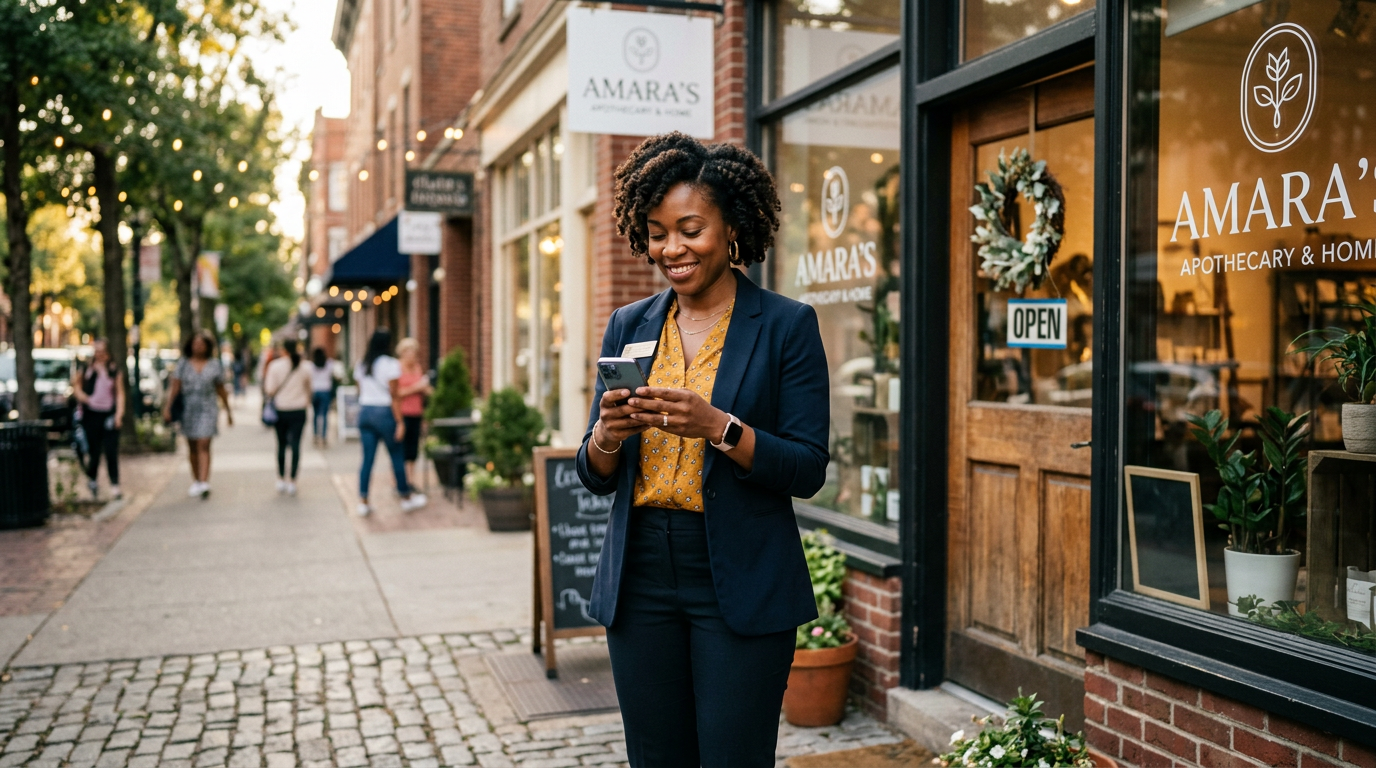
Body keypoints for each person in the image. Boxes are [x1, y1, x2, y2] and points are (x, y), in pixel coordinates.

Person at [575, 133, 829, 767]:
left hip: (738, 576)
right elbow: (594, 471)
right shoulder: (629, 324)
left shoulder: (785, 325)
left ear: (733, 226)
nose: (672, 249)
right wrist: (607, 435)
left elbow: (806, 467)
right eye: (658, 233)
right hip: (641, 580)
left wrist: (722, 427)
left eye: (691, 229)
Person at [355, 328, 427, 516]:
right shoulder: (390, 364)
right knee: (396, 455)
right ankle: (405, 497)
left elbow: (359, 391)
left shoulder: (362, 364)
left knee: (367, 460)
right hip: (385, 413)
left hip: (365, 412)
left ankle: (363, 500)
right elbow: (394, 396)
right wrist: (400, 422)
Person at [164, 329, 233, 498]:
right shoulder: (183, 364)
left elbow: (221, 389)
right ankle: (196, 480)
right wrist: (168, 407)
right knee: (193, 446)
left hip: (208, 407)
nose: (198, 347)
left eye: (202, 344)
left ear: (207, 347)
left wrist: (228, 411)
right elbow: (175, 388)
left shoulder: (215, 365)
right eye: (195, 343)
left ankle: (204, 482)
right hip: (188, 408)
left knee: (204, 443)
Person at [71, 339, 126, 500]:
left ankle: (115, 485)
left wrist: (119, 415)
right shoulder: (86, 369)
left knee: (111, 451)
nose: (100, 355)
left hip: (108, 414)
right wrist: (85, 399)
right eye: (97, 351)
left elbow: (120, 394)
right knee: (94, 451)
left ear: (108, 353)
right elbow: (76, 386)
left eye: (102, 351)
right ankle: (93, 479)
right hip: (91, 415)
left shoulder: (114, 370)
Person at [262, 339, 312, 495]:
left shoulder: (275, 366)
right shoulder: (305, 367)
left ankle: (281, 479)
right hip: (299, 410)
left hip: (281, 410)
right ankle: (293, 481)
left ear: (284, 349)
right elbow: (310, 389)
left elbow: (269, 390)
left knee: (281, 444)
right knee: (296, 445)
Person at [395, 338, 433, 489]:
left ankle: (410, 480)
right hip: (402, 414)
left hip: (416, 413)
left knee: (413, 449)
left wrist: (427, 389)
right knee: (401, 449)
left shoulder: (417, 368)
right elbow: (396, 393)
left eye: (414, 353)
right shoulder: (397, 368)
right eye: (409, 353)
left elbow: (425, 390)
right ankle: (400, 481)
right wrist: (416, 387)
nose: (412, 356)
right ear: (403, 353)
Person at [309, 347, 342, 446]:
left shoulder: (311, 366)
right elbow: (336, 376)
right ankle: (323, 437)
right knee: (324, 415)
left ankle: (315, 436)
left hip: (314, 391)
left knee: (315, 415)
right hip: (325, 391)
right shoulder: (329, 364)